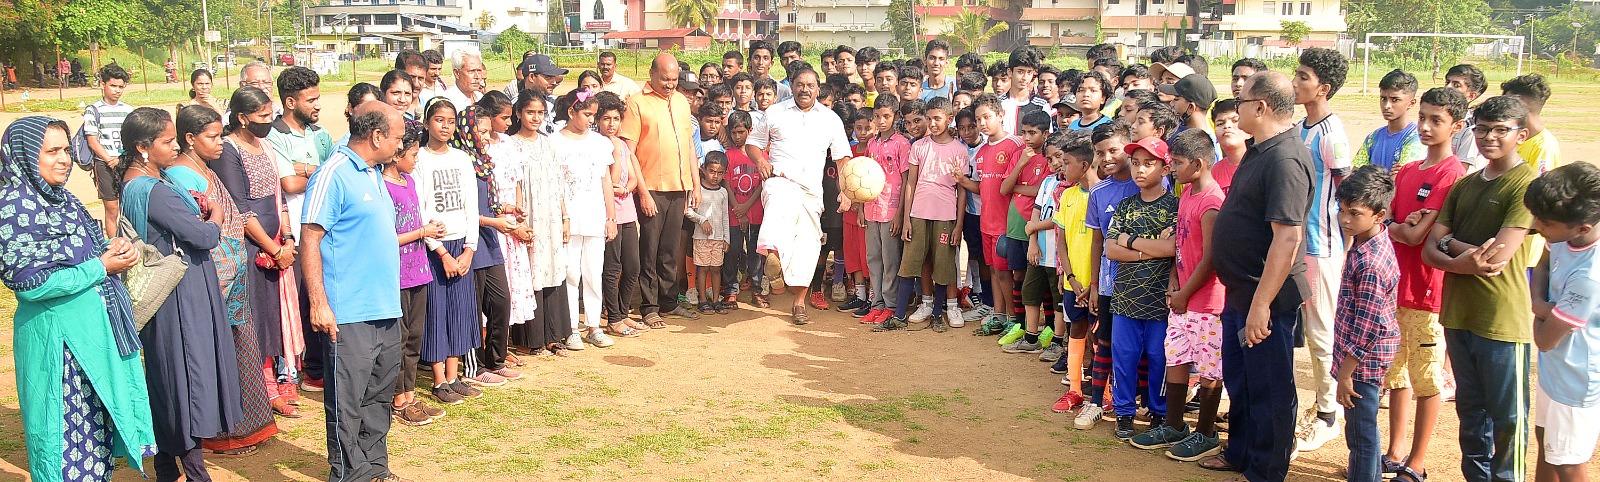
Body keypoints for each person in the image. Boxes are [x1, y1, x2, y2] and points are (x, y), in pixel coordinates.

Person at [1, 116, 157, 482]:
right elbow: (30, 283)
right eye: (51, 151)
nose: (64, 159)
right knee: (63, 440)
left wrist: (114, 249)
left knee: (96, 435)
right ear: (24, 156)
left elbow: (85, 252)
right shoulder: (14, 209)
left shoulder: (64, 200)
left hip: (94, 338)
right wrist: (101, 267)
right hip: (58, 345)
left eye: (66, 150)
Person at [1198, 70, 1314, 482]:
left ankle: (1266, 469)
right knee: (1241, 380)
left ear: (1260, 107)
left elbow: (1287, 238)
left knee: (1269, 387)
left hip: (1267, 296)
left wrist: (1262, 304)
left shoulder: (1285, 159)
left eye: (1242, 102)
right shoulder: (1260, 150)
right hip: (1242, 291)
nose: (1236, 108)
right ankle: (1241, 452)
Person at [117, 106, 241, 482]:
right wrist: (215, 215)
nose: (175, 147)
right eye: (167, 141)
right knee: (187, 377)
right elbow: (202, 236)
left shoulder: (144, 180)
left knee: (168, 376)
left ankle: (167, 466)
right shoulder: (151, 188)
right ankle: (195, 470)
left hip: (172, 293)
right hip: (180, 296)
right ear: (143, 147)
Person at [1423, 96, 1537, 482]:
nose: (1489, 137)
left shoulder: (1526, 185)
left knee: (1508, 419)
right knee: (1471, 416)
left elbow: (1497, 257)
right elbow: (1429, 249)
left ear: (1521, 135)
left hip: (1502, 319)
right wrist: (1461, 257)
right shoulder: (1465, 185)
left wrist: (1449, 244)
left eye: (1501, 130)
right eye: (1483, 129)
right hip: (1458, 315)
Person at [301, 101, 407, 482]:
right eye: (397, 138)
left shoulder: (375, 173)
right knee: (347, 402)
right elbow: (310, 238)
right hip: (348, 312)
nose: (400, 145)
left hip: (385, 308)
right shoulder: (333, 174)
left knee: (378, 396)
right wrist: (319, 303)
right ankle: (349, 474)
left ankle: (375, 468)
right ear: (376, 136)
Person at [166, 105, 280, 455]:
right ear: (190, 138)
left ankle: (246, 427)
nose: (220, 142)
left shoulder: (205, 168)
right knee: (218, 352)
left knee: (239, 347)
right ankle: (222, 433)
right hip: (212, 280)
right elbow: (198, 229)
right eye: (212, 137)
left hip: (233, 281)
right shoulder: (182, 176)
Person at [1382, 87, 1469, 482]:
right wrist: (1399, 225)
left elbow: (1417, 235)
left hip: (1427, 292)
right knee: (1396, 373)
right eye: (1424, 118)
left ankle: (1416, 462)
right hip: (1396, 287)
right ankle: (1395, 450)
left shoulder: (1452, 174)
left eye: (1438, 120)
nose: (1426, 126)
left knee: (1427, 379)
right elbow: (1390, 224)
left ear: (1457, 126)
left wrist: (1398, 226)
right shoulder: (1409, 171)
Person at [1129, 129, 1226, 460]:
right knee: (1177, 357)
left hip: (1207, 302)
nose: (1171, 168)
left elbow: (1212, 258)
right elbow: (1181, 246)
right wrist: (1174, 279)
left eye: (1178, 163)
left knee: (1209, 369)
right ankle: (1174, 425)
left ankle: (1206, 433)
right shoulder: (1186, 194)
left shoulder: (1212, 203)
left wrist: (1185, 291)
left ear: (1198, 165)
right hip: (1183, 297)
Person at [213, 86, 302, 417]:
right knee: (256, 317)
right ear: (242, 118)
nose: (268, 120)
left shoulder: (266, 145)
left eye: (270, 114)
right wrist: (273, 249)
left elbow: (279, 198)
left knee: (275, 314)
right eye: (262, 116)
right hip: (251, 248)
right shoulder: (229, 150)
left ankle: (283, 379)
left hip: (277, 242)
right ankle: (264, 389)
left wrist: (288, 238)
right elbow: (240, 209)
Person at [749, 66, 853, 325]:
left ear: (818, 89)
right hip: (780, 181)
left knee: (808, 246)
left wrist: (846, 191)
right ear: (791, 86)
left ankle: (798, 303)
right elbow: (753, 144)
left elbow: (842, 158)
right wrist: (761, 161)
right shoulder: (775, 112)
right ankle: (773, 256)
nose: (804, 89)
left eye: (810, 85)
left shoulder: (830, 119)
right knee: (778, 209)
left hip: (812, 192)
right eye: (799, 84)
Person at [1292, 48, 1354, 452]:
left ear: (1324, 88)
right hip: (1297, 243)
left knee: (1321, 332)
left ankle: (1329, 414)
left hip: (1322, 246)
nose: (1295, 82)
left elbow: (1348, 191)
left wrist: (1347, 247)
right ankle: (1319, 405)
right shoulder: (1300, 128)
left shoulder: (1332, 134)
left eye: (1303, 76)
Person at [1526, 163, 1600, 482]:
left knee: (1568, 464)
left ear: (1582, 228)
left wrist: (1536, 307)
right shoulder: (1563, 232)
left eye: (1545, 223)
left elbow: (1544, 340)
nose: (1536, 226)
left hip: (1575, 383)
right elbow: (1542, 263)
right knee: (1547, 445)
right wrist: (1541, 306)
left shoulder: (1589, 277)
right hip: (1556, 371)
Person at [1102, 136, 1178, 440]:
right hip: (1125, 297)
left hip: (1160, 299)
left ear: (1165, 168)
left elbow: (1172, 248)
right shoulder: (1125, 207)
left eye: (1149, 163)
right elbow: (1111, 249)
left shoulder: (1174, 207)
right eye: (1135, 163)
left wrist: (1130, 242)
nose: (1140, 170)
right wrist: (1150, 250)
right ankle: (1124, 412)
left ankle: (1159, 413)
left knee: (1159, 357)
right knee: (1125, 357)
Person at [1331, 165, 1402, 482]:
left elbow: (1368, 325)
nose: (1345, 219)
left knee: (1360, 436)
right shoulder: (1365, 243)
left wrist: (1346, 373)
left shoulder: (1371, 262)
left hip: (1362, 363)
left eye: (1354, 213)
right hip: (1363, 359)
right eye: (1342, 210)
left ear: (1379, 215)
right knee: (1364, 430)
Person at [620, 54, 701, 328]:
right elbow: (628, 152)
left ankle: (668, 301)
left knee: (669, 249)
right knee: (650, 249)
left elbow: (688, 146)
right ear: (652, 74)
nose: (670, 84)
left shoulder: (681, 102)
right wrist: (642, 192)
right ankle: (649, 306)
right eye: (665, 79)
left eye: (674, 79)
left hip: (679, 186)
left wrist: (695, 184)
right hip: (651, 187)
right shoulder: (636, 103)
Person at [414, 98, 482, 404]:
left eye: (451, 121)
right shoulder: (419, 160)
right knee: (437, 312)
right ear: (427, 122)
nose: (445, 126)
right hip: (435, 248)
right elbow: (420, 208)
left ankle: (454, 376)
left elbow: (472, 206)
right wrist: (441, 252)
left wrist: (469, 249)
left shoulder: (462, 159)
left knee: (460, 311)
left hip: (461, 245)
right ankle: (439, 379)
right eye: (439, 120)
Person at [381, 120, 447, 426]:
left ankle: (410, 394)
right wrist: (423, 232)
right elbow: (386, 237)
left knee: (414, 337)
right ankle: (398, 399)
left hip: (418, 271)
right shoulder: (383, 187)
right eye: (413, 155)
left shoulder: (408, 182)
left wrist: (428, 228)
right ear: (397, 155)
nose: (416, 160)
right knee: (399, 337)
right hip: (396, 274)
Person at [455, 94, 521, 382]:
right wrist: (494, 221)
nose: (485, 137)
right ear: (467, 131)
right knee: (472, 308)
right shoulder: (460, 162)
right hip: (471, 241)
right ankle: (475, 367)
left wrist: (507, 208)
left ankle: (496, 359)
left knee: (500, 301)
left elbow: (488, 203)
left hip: (490, 241)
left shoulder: (483, 161)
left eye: (486, 131)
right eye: (480, 132)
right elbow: (464, 211)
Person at [551, 89, 619, 347]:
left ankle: (593, 326)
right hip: (568, 218)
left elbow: (605, 181)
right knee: (570, 273)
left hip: (595, 216)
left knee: (593, 272)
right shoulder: (555, 142)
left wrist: (611, 217)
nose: (591, 120)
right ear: (572, 112)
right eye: (587, 114)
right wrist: (562, 216)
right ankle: (571, 328)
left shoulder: (600, 143)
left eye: (593, 115)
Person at [956, 94, 1026, 336]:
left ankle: (1014, 319)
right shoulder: (983, 151)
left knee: (1006, 272)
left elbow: (1016, 185)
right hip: (986, 221)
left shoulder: (1016, 145)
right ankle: (999, 314)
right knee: (994, 270)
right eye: (978, 119)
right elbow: (982, 187)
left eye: (987, 117)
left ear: (1001, 115)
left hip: (1007, 223)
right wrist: (962, 180)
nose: (982, 123)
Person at [1046, 132, 1099, 413]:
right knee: (1076, 330)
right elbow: (1061, 243)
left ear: (1085, 165)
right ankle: (1075, 390)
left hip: (1098, 285)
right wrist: (1069, 277)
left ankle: (1104, 392)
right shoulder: (1067, 195)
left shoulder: (1102, 195)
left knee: (1100, 337)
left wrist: (1092, 283)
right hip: (1073, 282)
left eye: (1067, 163)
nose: (1062, 167)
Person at [997, 112, 1056, 346]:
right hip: (1015, 224)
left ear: (1046, 133)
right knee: (1018, 275)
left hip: (1036, 223)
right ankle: (1020, 325)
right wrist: (1021, 163)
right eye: (1024, 132)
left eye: (1033, 132)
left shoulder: (1051, 158)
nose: (1027, 138)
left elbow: (1042, 190)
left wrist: (1017, 187)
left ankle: (1050, 327)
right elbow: (1004, 188)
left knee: (1043, 277)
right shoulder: (1018, 155)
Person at [596, 91, 650, 333]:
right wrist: (616, 152)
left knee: (633, 266)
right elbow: (614, 178)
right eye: (606, 119)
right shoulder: (601, 146)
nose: (612, 124)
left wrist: (627, 188)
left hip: (628, 212)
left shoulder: (623, 146)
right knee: (612, 268)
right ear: (598, 120)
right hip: (609, 215)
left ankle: (623, 311)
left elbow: (631, 181)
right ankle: (613, 317)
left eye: (616, 119)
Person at [859, 94, 909, 322]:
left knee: (890, 259)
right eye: (877, 116)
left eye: (886, 116)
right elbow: (864, 177)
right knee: (873, 257)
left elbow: (906, 180)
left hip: (891, 209)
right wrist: (862, 208)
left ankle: (891, 304)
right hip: (872, 208)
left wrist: (900, 215)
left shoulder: (902, 144)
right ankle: (876, 303)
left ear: (895, 117)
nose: (881, 121)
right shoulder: (872, 143)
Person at [84, 64, 134, 237]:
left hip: (125, 162)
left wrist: (121, 159)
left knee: (129, 204)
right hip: (104, 165)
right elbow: (92, 140)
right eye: (113, 86)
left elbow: (132, 138)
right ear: (102, 84)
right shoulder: (93, 110)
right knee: (112, 208)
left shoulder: (128, 110)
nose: (117, 90)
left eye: (121, 87)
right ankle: (115, 243)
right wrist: (109, 159)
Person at [1353, 69, 1424, 172]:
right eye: (1383, 99)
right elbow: (1355, 174)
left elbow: (1401, 177)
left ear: (1411, 103)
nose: (1387, 106)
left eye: (1395, 100)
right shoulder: (1372, 138)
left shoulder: (1416, 138)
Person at [689, 152, 732, 314]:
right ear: (703, 169)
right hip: (701, 238)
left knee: (716, 269)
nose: (715, 176)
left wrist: (726, 238)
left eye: (720, 173)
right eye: (712, 171)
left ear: (724, 173)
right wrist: (702, 220)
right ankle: (702, 300)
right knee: (703, 269)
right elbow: (688, 211)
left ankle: (715, 300)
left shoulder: (723, 192)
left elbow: (725, 216)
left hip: (718, 239)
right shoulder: (697, 189)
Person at [1501, 74, 1560, 173]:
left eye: (1506, 103)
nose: (1502, 108)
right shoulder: (1513, 137)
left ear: (1520, 103)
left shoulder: (1543, 147)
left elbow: (1539, 182)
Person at [1445, 64, 1487, 172]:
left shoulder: (1471, 128)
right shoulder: (1445, 119)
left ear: (1471, 96)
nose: (1448, 87)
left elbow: (1462, 170)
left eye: (1456, 85)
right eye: (1447, 82)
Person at [1210, 99, 1247, 193]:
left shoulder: (1264, 165)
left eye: (1235, 121)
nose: (1227, 126)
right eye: (1220, 124)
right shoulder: (1212, 174)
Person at [440, 47, 486, 112]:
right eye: (471, 71)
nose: (477, 76)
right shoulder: (446, 102)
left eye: (479, 71)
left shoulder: (480, 97)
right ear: (457, 73)